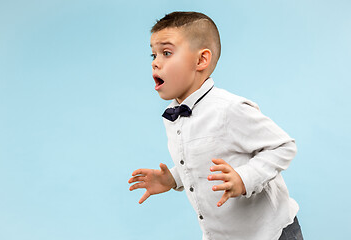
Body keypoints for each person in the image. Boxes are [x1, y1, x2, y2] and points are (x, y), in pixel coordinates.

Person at [128, 11, 303, 240]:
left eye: (167, 53)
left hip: (270, 233)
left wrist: (244, 178)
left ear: (201, 60)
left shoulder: (229, 109)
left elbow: (283, 146)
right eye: (153, 55)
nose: (156, 63)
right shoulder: (172, 116)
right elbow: (199, 161)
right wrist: (172, 178)